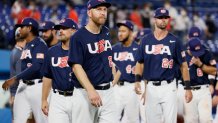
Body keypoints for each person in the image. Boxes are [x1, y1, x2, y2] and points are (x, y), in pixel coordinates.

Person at [134, 8, 193, 123]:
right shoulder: (145, 40)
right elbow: (140, 62)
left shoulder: (175, 41)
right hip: (150, 87)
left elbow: (184, 66)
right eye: (160, 18)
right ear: (154, 20)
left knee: (170, 121)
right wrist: (137, 80)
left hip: (169, 87)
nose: (163, 20)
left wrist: (188, 88)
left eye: (166, 17)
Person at [67, 0, 118, 123]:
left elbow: (108, 57)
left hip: (108, 92)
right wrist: (90, 90)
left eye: (105, 10)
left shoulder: (106, 31)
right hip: (85, 93)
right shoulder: (77, 37)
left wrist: (112, 80)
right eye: (98, 9)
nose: (103, 13)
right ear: (89, 13)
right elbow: (76, 66)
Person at [2, 17, 48, 123]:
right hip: (22, 86)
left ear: (29, 28)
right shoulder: (27, 45)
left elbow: (37, 67)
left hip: (37, 86)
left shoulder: (40, 44)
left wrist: (14, 79)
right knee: (18, 120)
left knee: (42, 120)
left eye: (22, 27)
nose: (19, 30)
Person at [41, 18, 78, 123]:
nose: (60, 31)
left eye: (65, 28)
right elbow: (47, 76)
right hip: (58, 99)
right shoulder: (51, 52)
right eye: (59, 28)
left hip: (78, 96)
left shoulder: (82, 51)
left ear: (74, 31)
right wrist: (44, 99)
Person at [184, 38, 217, 123]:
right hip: (188, 90)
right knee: (190, 120)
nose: (197, 54)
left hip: (203, 90)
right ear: (189, 49)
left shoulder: (206, 53)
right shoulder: (182, 56)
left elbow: (214, 71)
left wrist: (201, 65)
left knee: (206, 120)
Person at [112, 20, 140, 123]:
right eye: (119, 31)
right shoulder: (113, 49)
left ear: (131, 32)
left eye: (123, 31)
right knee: (111, 118)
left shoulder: (138, 49)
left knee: (132, 120)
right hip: (115, 88)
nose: (120, 33)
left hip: (131, 87)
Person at [9, 27, 26, 123]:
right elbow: (19, 77)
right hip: (18, 93)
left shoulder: (15, 51)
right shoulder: (19, 53)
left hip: (16, 92)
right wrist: (13, 94)